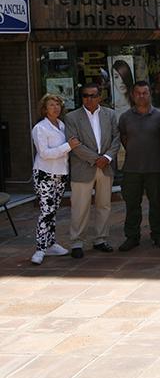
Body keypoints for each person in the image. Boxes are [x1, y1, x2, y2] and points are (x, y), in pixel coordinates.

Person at [63, 83, 119, 258]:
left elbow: (116, 139)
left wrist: (107, 157)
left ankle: (100, 239)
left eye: (93, 95)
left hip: (105, 167)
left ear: (99, 96)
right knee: (80, 207)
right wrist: (96, 159)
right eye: (85, 95)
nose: (89, 99)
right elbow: (74, 143)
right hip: (83, 167)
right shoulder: (71, 117)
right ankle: (77, 242)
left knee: (104, 205)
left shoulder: (110, 114)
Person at [118, 81, 160, 251]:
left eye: (144, 93)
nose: (141, 96)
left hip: (154, 167)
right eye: (138, 93)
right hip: (131, 168)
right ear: (133, 95)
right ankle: (132, 237)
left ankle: (158, 234)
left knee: (156, 203)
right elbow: (124, 138)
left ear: (149, 94)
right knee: (132, 204)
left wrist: (155, 153)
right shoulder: (125, 117)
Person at [30, 94, 79, 265]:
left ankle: (51, 244)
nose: (55, 107)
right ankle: (40, 249)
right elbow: (44, 153)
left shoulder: (62, 125)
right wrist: (68, 146)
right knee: (46, 211)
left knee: (53, 211)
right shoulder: (40, 128)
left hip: (61, 173)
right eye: (51, 105)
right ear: (44, 109)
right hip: (45, 174)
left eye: (57, 104)